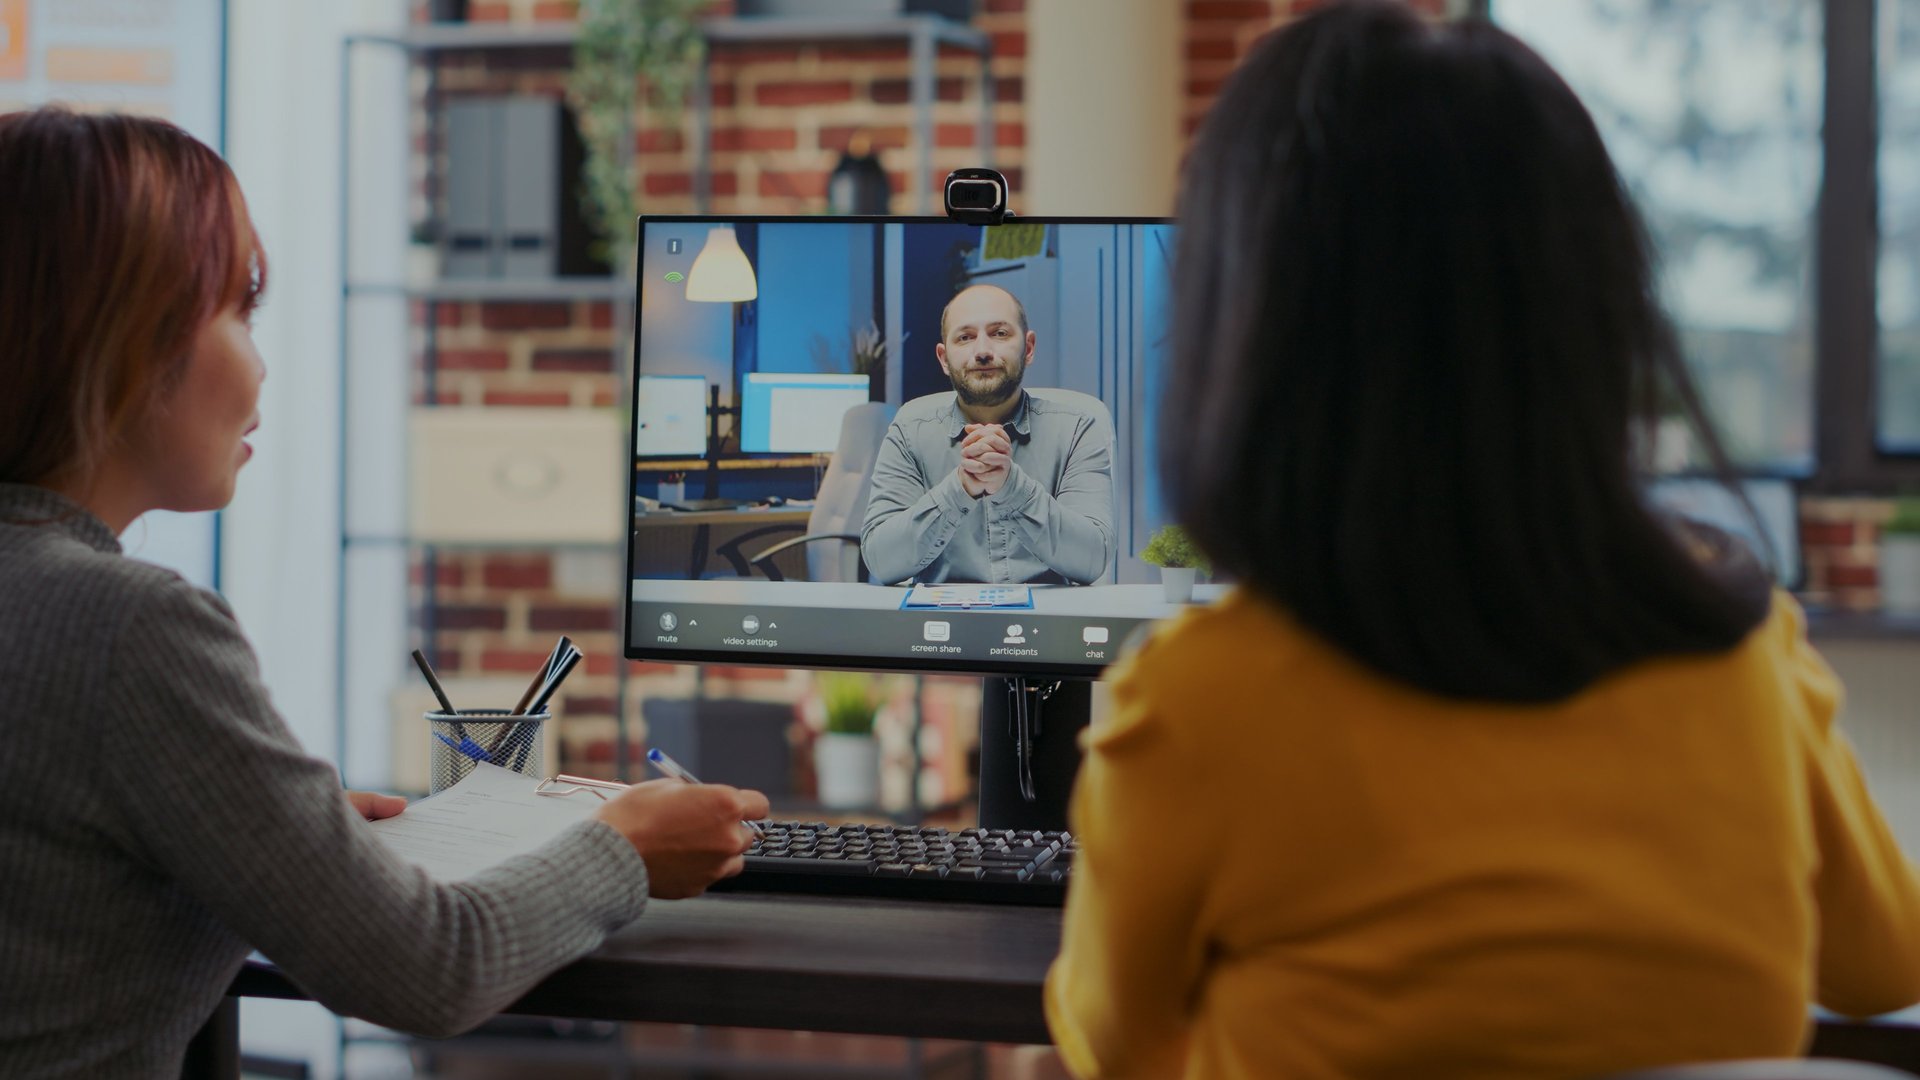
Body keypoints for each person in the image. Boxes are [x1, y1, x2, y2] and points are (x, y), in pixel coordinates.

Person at [1045, 4, 1920, 1078]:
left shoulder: (1194, 700)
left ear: (1251, 338)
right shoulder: (1739, 652)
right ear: (1591, 322)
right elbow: (1885, 964)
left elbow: (1112, 1042)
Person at [0, 107, 769, 1079]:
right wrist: (623, 847)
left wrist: (266, 833)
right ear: (120, 341)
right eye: (239, 309)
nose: (261, 358)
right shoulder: (128, 630)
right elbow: (429, 969)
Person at [861, 283, 1114, 586]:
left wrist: (1012, 488)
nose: (982, 351)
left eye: (1000, 333)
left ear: (1029, 348)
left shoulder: (1077, 429)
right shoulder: (909, 431)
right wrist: (958, 489)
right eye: (965, 337)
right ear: (943, 358)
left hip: (1045, 625)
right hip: (940, 627)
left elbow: (1092, 560)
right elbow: (881, 561)